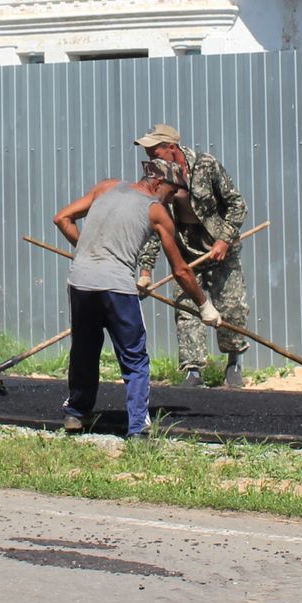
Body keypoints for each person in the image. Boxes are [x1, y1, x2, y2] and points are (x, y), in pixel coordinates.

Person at [53, 159, 216, 438]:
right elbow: (180, 270)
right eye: (172, 192)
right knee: (135, 358)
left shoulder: (106, 187)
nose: (172, 199)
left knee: (84, 349)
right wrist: (204, 305)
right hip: (117, 287)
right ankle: (138, 427)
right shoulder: (156, 211)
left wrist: (90, 253)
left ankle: (76, 413)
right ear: (157, 183)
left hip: (80, 282)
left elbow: (62, 218)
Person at [133, 123, 250, 388]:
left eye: (155, 151)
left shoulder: (206, 166)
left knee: (231, 307)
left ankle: (233, 362)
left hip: (220, 248)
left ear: (172, 148)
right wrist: (145, 271)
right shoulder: (156, 176)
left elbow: (237, 205)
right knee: (187, 306)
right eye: (148, 152)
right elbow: (155, 222)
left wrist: (223, 240)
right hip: (185, 251)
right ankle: (193, 371)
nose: (151, 157)